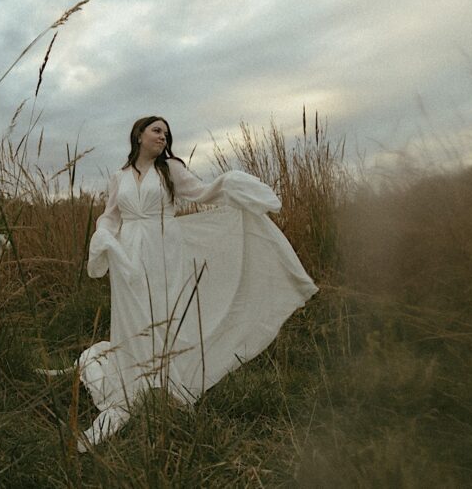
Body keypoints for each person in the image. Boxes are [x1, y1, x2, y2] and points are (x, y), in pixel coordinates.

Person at [73, 116, 318, 451]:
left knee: (167, 310)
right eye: (156, 130)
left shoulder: (170, 169)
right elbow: (111, 215)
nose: (163, 136)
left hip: (166, 249)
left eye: (166, 132)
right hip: (128, 253)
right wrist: (103, 235)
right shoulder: (119, 177)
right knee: (134, 315)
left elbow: (202, 192)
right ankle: (136, 379)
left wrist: (229, 185)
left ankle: (167, 384)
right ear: (138, 135)